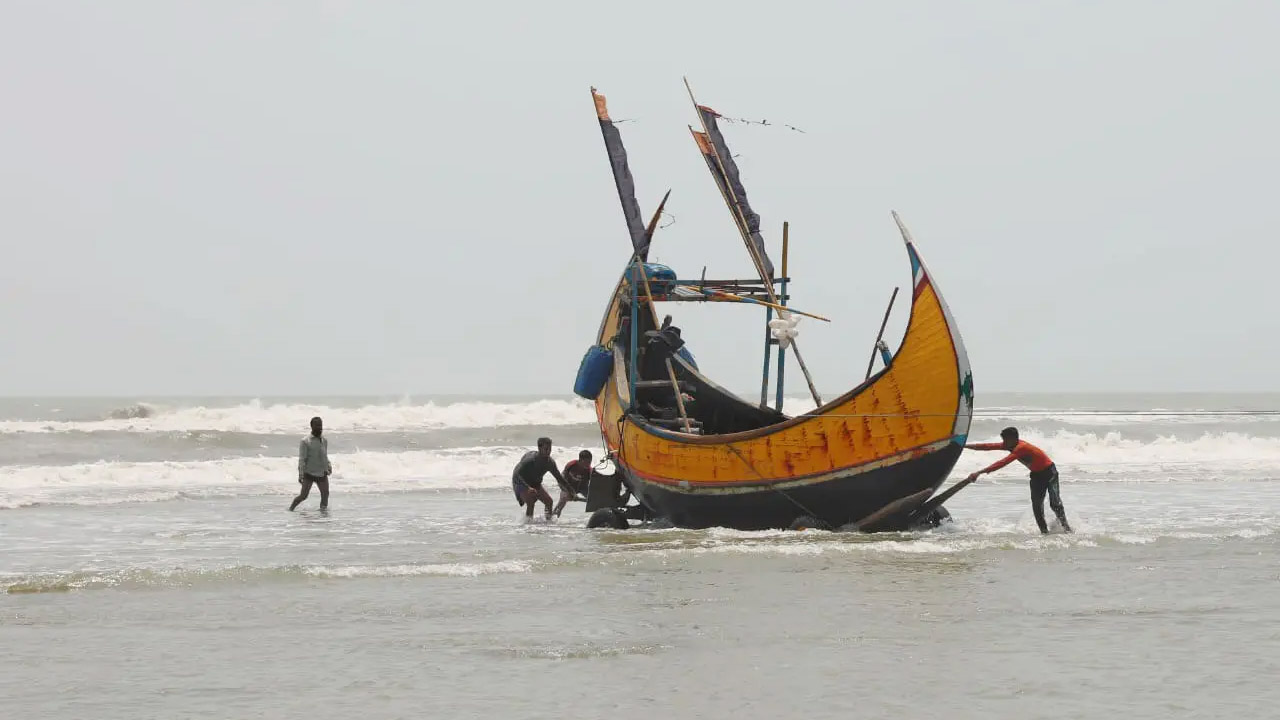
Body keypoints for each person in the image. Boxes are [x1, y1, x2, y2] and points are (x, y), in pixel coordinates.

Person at [965, 426, 1072, 534]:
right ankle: (1044, 532)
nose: (1004, 443)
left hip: (1050, 473)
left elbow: (1003, 462)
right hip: (1036, 475)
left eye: (1006, 440)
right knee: (1037, 506)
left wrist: (979, 472)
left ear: (1013, 439)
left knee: (1054, 503)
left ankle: (1067, 529)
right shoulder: (1010, 445)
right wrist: (964, 446)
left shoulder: (1021, 447)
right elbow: (988, 446)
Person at [511, 437, 569, 520]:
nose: (548, 452)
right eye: (546, 449)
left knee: (549, 502)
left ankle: (548, 522)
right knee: (530, 502)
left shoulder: (550, 463)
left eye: (550, 449)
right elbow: (517, 475)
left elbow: (559, 478)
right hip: (520, 482)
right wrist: (528, 488)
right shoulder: (530, 460)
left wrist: (571, 491)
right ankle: (528, 525)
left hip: (535, 483)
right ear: (539, 448)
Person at [290, 416, 332, 511]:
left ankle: (323, 514)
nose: (319, 427)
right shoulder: (305, 441)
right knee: (303, 496)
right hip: (309, 473)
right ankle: (290, 509)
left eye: (320, 425)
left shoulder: (324, 440)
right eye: (317, 425)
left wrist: (328, 465)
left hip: (322, 473)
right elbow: (302, 459)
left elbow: (324, 455)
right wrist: (301, 475)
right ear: (312, 426)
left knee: (325, 494)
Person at [554, 449, 595, 517]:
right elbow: (561, 478)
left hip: (583, 488)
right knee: (563, 498)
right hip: (569, 486)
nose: (588, 464)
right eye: (587, 462)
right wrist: (569, 492)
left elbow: (594, 484)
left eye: (590, 462)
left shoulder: (590, 471)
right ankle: (554, 515)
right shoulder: (571, 465)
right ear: (580, 460)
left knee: (593, 499)